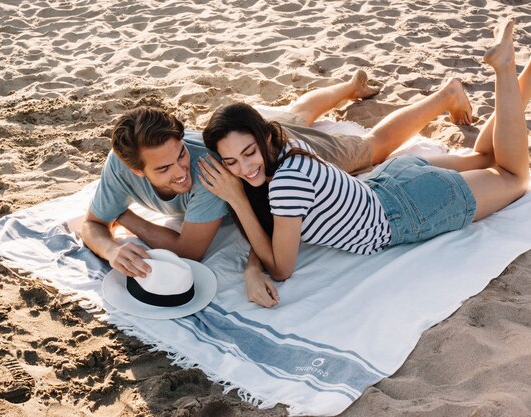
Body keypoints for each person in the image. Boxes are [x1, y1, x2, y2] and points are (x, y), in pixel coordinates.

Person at [199, 18, 530, 308]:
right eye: (230, 161)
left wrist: (238, 201)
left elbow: (283, 268)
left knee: (512, 175)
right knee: (483, 157)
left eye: (248, 153)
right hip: (391, 181)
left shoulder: (286, 182)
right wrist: (252, 267)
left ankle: (503, 67)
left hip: (411, 207)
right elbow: (277, 228)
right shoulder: (284, 146)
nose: (243, 169)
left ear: (264, 139)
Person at [82, 70, 454, 278]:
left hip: (268, 152)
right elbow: (93, 225)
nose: (183, 172)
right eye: (164, 168)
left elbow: (189, 251)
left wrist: (126, 217)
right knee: (290, 114)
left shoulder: (209, 172)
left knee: (370, 150)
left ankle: (445, 96)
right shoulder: (119, 166)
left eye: (181, 154)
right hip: (246, 148)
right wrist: (112, 249)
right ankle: (349, 87)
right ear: (133, 168)